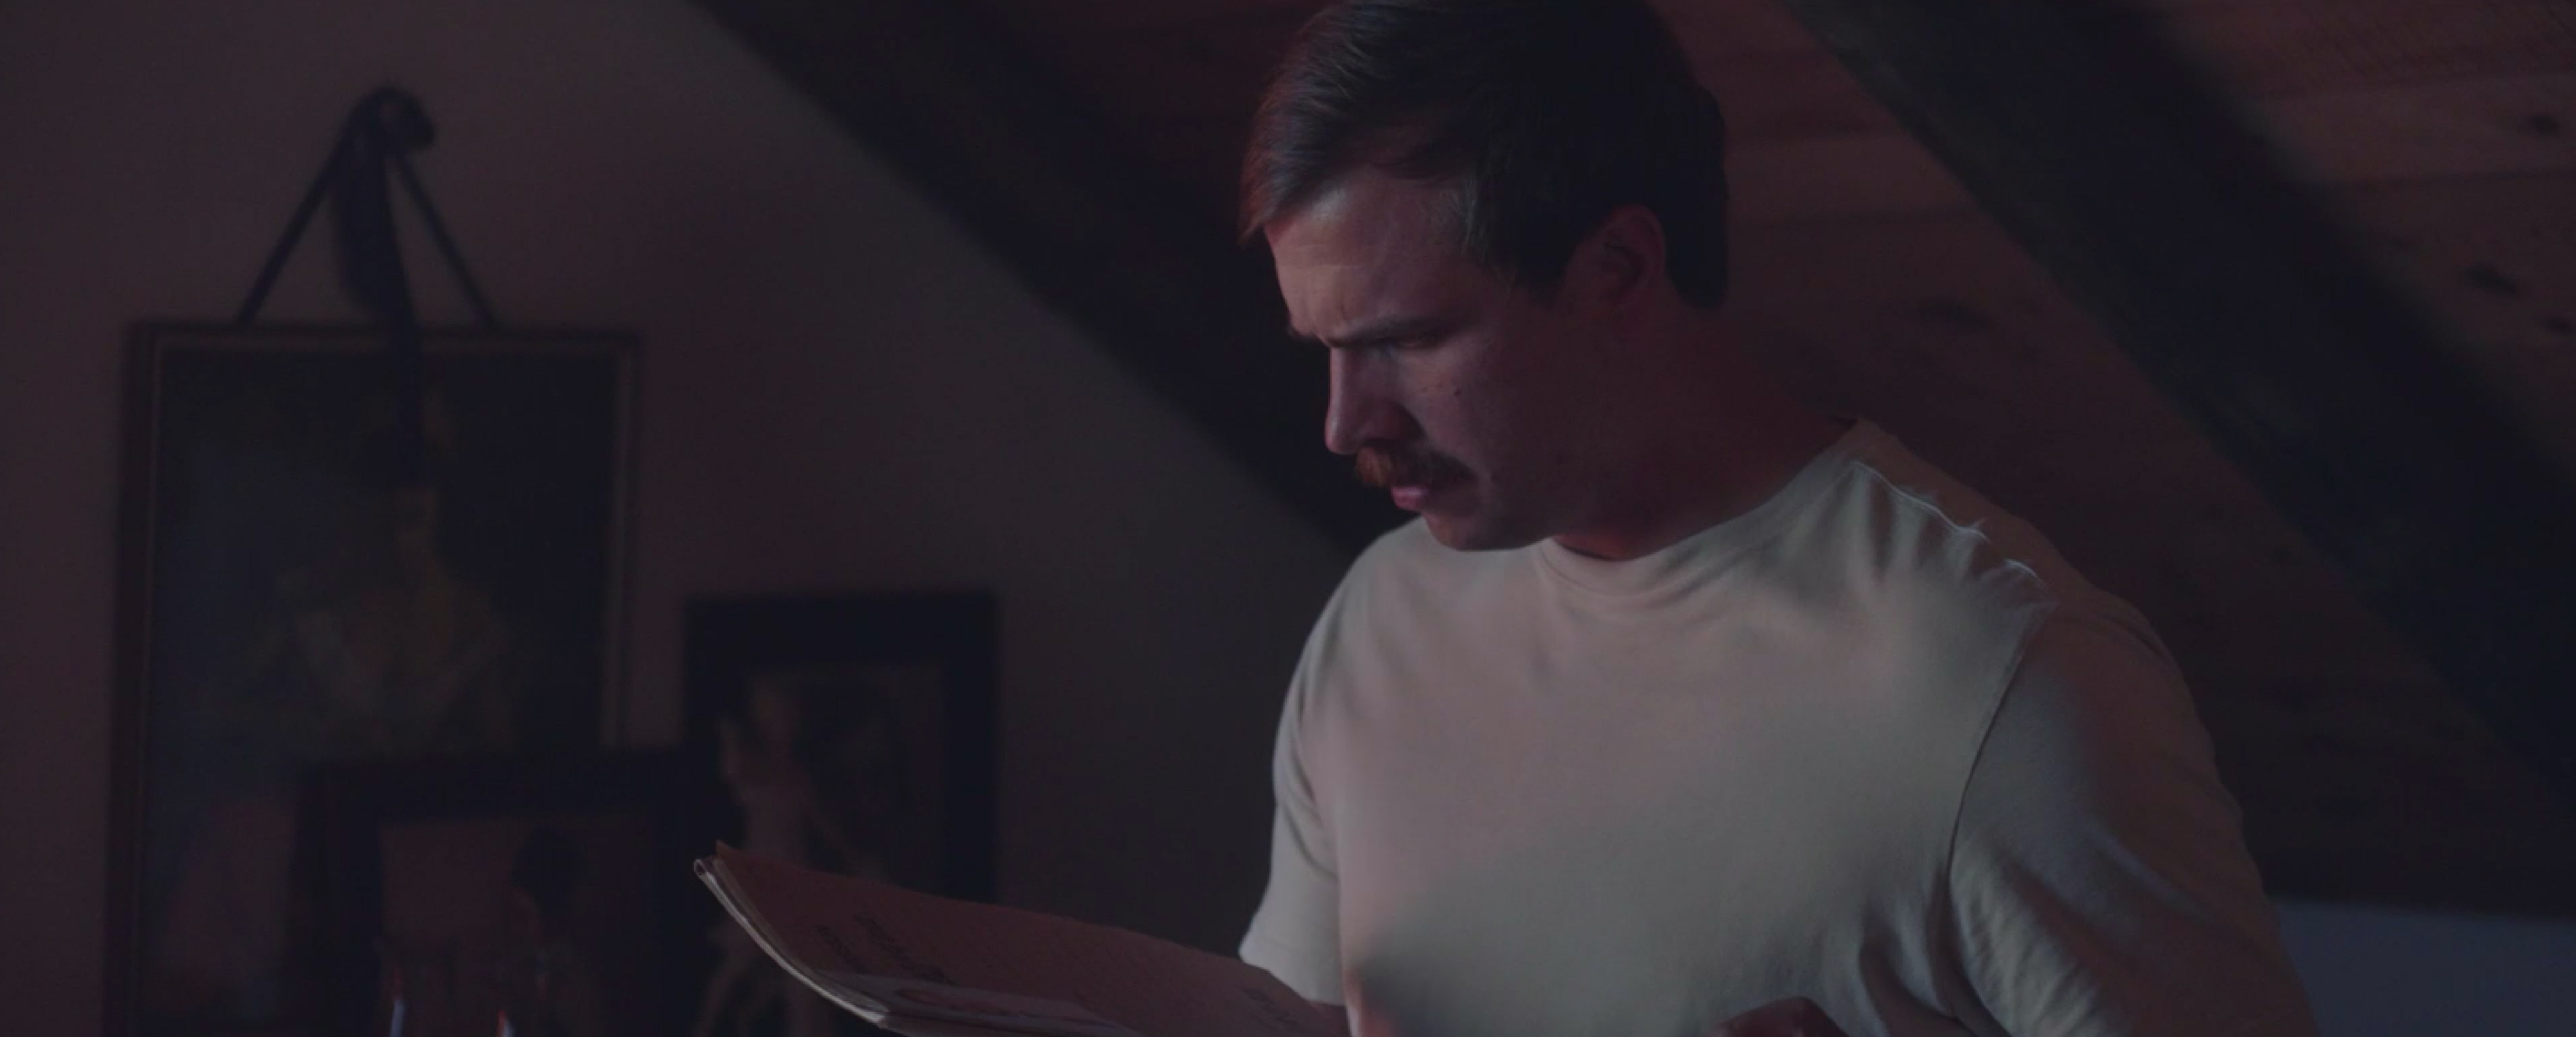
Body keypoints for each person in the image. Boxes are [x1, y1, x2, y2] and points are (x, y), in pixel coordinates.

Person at [1231, 3, 2320, 1036]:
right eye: (1323, 348)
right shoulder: (1382, 616)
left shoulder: (2009, 683)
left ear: (1618, 268)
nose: (1343, 423)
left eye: (1404, 340)